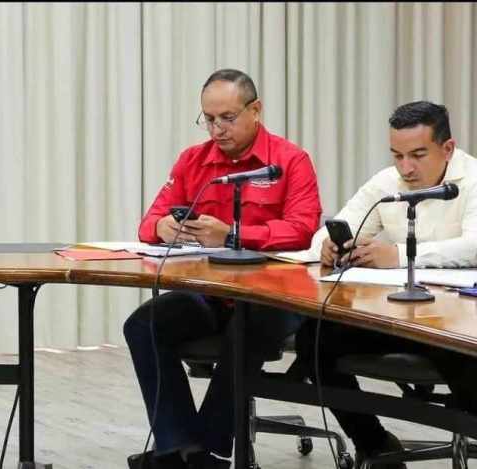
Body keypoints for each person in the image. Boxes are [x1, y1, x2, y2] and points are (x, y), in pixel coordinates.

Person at [124, 69, 322, 469]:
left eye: (227, 118)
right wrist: (163, 228)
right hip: (211, 292)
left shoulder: (290, 160)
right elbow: (149, 223)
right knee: (143, 325)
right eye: (209, 119)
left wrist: (234, 235)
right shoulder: (193, 160)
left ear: (256, 110)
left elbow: (303, 230)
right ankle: (181, 449)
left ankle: (209, 449)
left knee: (245, 327)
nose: (217, 129)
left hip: (274, 296)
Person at [296, 101, 477, 469]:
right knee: (314, 339)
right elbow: (329, 231)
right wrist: (330, 246)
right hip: (396, 314)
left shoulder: (473, 179)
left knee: (466, 364)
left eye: (418, 155)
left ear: (447, 148)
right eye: (397, 155)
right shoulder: (386, 182)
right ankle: (375, 444)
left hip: (455, 321)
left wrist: (399, 255)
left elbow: (474, 244)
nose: (405, 167)